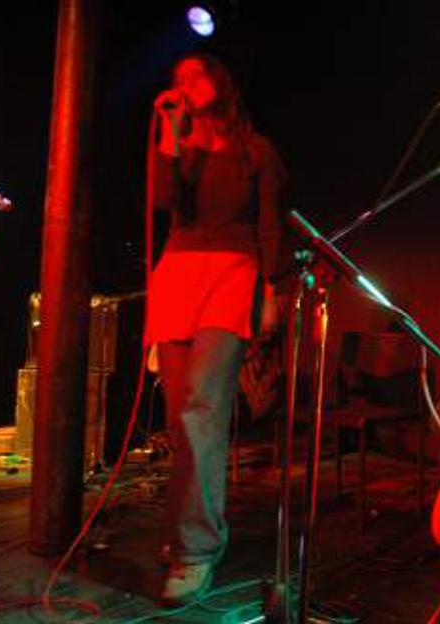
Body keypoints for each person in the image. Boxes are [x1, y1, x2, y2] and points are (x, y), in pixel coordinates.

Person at [146, 52, 287, 605]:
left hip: (233, 271)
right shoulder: (178, 146)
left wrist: (271, 291)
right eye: (177, 77)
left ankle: (196, 549)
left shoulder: (257, 150)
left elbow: (270, 224)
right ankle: (189, 531)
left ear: (220, 83)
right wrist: (170, 134)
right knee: (178, 416)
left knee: (203, 407)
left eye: (195, 75)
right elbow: (163, 201)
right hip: (177, 273)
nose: (184, 83)